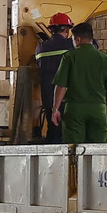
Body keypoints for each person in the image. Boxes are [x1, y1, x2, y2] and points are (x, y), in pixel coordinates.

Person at [51, 22, 107, 143]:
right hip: (98, 109)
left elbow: (61, 86)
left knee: (73, 148)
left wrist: (55, 109)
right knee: (98, 149)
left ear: (78, 39)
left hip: (75, 110)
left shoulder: (69, 57)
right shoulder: (106, 59)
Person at [35, 12, 74, 143]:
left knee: (53, 130)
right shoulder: (71, 46)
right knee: (68, 134)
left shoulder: (40, 48)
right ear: (67, 30)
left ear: (51, 29)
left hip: (48, 97)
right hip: (67, 96)